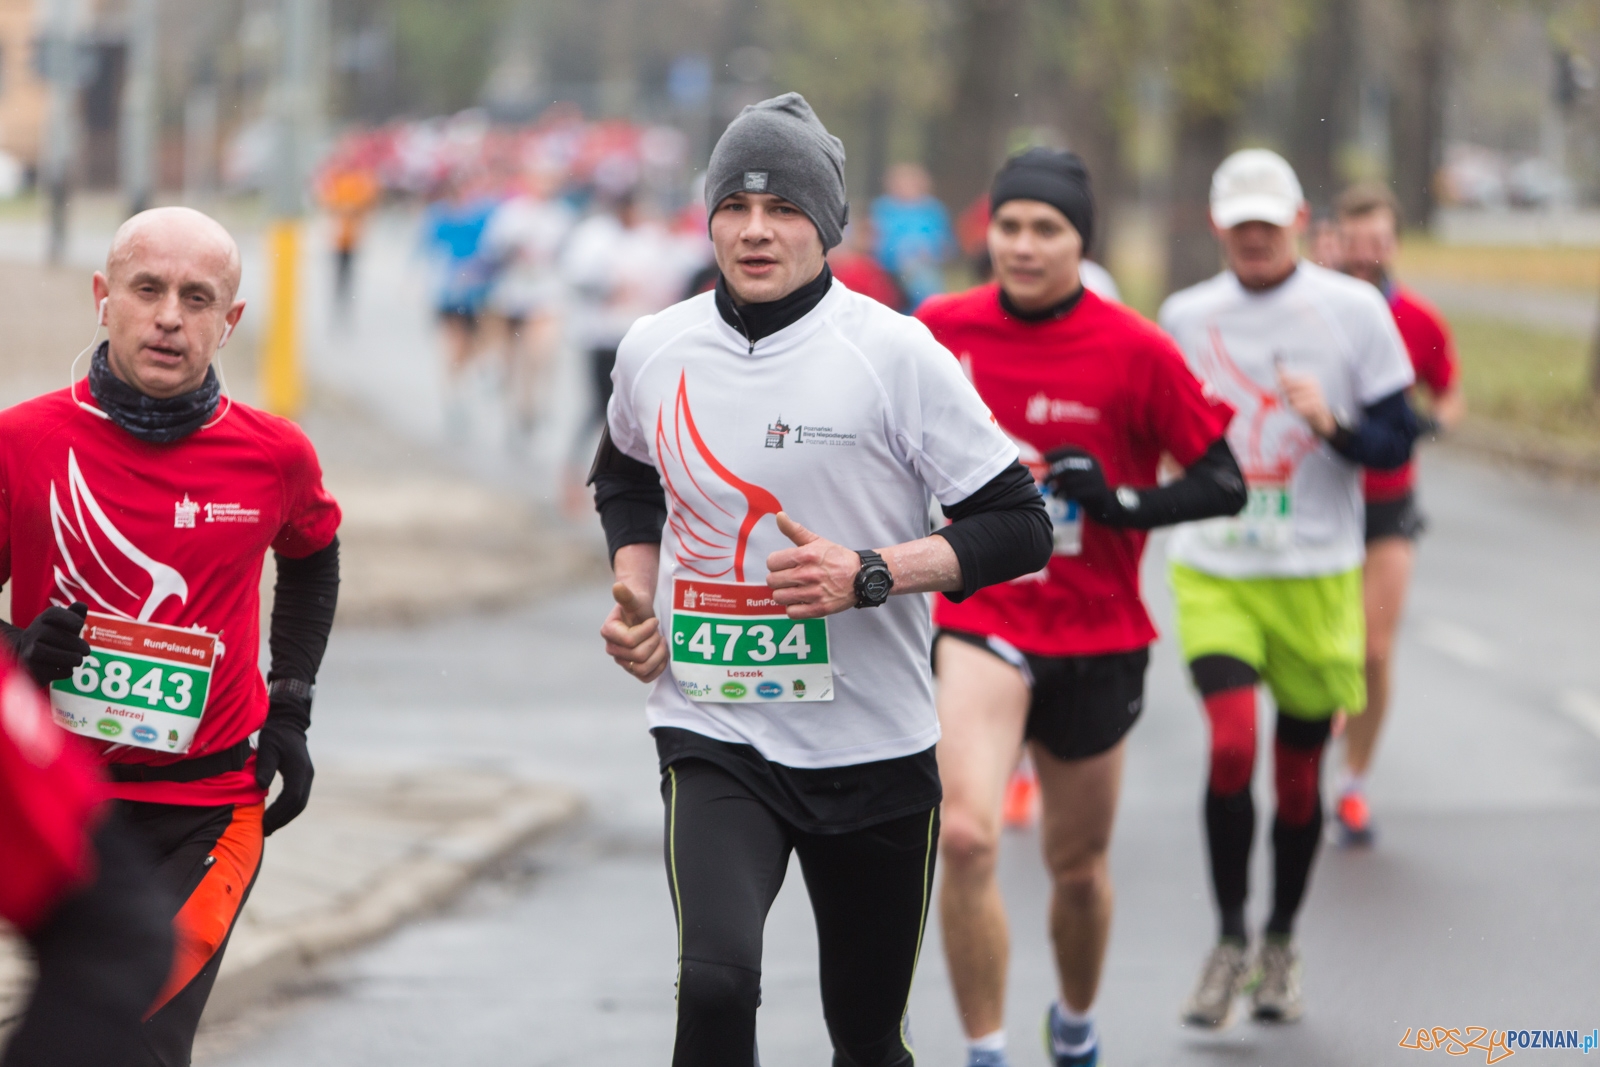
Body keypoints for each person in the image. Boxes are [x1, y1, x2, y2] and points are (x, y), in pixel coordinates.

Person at [590, 93, 1051, 1067]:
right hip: (714, 722)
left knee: (866, 1034)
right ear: (709, 215)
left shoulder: (893, 353)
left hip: (874, 742)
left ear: (828, 224)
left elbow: (1020, 521)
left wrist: (874, 571)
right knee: (715, 982)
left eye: (786, 207)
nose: (756, 230)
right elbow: (626, 474)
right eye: (735, 206)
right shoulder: (654, 345)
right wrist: (639, 593)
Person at [917, 148, 1244, 1067]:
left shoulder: (1135, 348)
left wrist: (1117, 503)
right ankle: (986, 1048)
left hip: (1099, 630)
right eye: (1008, 226)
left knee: (1077, 867)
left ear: (1079, 241)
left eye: (1045, 229)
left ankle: (1075, 1022)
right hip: (983, 617)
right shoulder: (938, 329)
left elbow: (1224, 481)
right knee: (971, 835)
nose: (1021, 246)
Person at [0, 206, 342, 1065]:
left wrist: (292, 706)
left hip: (209, 809)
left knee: (135, 1035)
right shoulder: (22, 442)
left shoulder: (274, 456)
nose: (168, 316)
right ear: (102, 298)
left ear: (228, 323)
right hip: (55, 803)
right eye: (147, 289)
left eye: (197, 299)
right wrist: (16, 649)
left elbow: (312, 559)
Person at [1158, 150, 1417, 1028]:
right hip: (1217, 566)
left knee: (1298, 776)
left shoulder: (1353, 313)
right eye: (1242, 224)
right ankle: (1229, 938)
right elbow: (1159, 427)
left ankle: (1279, 939)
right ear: (1218, 225)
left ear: (1301, 221)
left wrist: (1331, 423)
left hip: (1316, 572)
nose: (1257, 237)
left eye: (1271, 222)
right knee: (1233, 746)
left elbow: (1396, 443)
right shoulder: (1186, 316)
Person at [1332, 182, 1465, 845]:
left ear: (1393, 245)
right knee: (1327, 654)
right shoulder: (1310, 310)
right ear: (1334, 240)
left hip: (1388, 500)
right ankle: (1323, 721)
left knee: (1375, 648)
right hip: (1321, 503)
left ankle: (1354, 782)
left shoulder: (1418, 319)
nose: (1365, 255)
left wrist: (1432, 424)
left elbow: (1450, 394)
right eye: (1354, 242)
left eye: (1377, 242)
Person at [0, 645, 173, 1067]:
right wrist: (21, 640)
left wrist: (291, 702)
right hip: (101, 805)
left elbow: (123, 934)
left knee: (159, 1040)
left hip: (199, 803)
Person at [561, 191, 698, 512]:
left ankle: (651, 490)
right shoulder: (597, 238)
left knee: (647, 413)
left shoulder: (653, 241)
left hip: (642, 343)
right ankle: (573, 477)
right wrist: (609, 287)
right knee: (600, 409)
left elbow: (680, 278)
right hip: (604, 339)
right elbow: (578, 281)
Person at [482, 168, 575, 439]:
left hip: (546, 293)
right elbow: (491, 249)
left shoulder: (561, 216)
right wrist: (512, 247)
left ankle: (530, 404)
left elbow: (568, 257)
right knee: (509, 359)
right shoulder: (511, 213)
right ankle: (512, 407)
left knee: (540, 353)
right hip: (512, 291)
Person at [872, 162, 956, 309]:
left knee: (923, 284)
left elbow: (947, 246)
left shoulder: (933, 210)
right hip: (887, 270)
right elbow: (870, 241)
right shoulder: (882, 209)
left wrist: (930, 253)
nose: (906, 187)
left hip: (924, 269)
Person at [317, 159, 381, 314]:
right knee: (339, 270)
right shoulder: (336, 181)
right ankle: (339, 300)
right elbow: (326, 202)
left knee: (347, 270)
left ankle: (344, 301)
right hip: (338, 235)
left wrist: (351, 208)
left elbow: (368, 202)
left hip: (352, 236)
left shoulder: (359, 181)